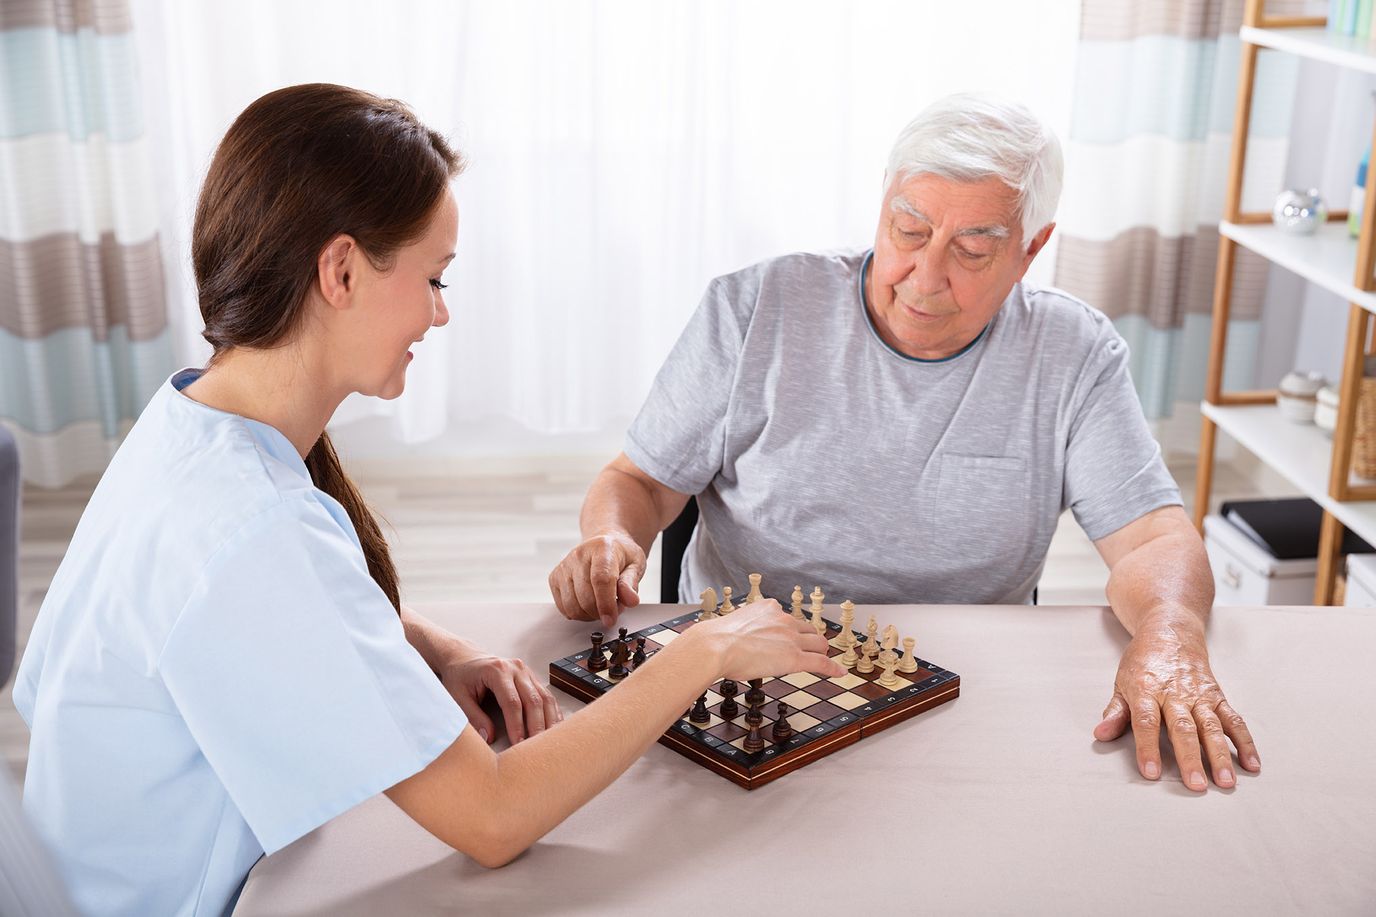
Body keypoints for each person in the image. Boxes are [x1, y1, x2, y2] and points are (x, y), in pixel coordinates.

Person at [13, 84, 842, 917]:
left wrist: (425, 647)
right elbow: (494, 815)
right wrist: (702, 651)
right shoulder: (257, 521)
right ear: (340, 270)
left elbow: (253, 609)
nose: (440, 314)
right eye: (435, 278)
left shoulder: (188, 422)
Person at [549, 93, 1259, 794]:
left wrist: (1170, 631)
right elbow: (640, 482)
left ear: (1030, 250)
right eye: (909, 230)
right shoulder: (756, 305)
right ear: (883, 202)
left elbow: (1152, 541)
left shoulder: (1074, 352)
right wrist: (610, 539)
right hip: (745, 688)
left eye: (973, 249)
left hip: (958, 698)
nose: (925, 278)